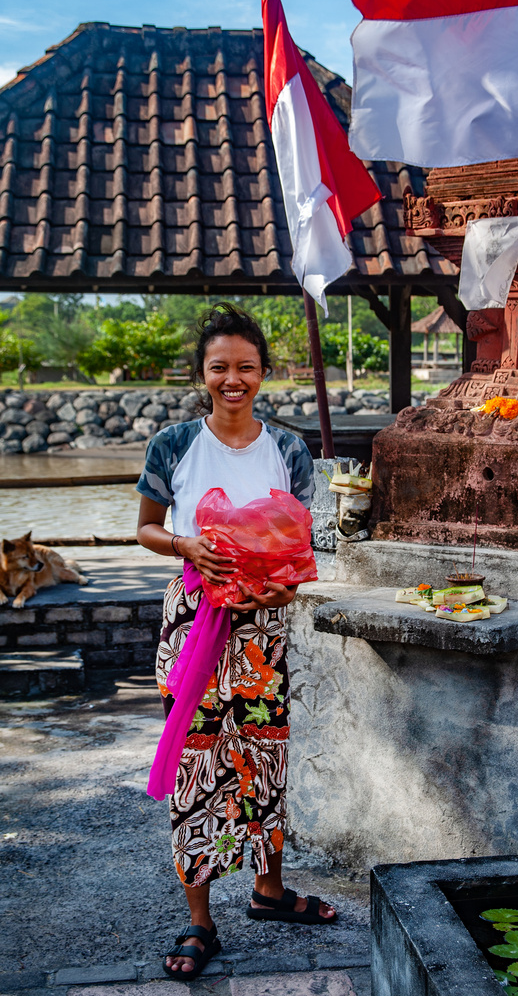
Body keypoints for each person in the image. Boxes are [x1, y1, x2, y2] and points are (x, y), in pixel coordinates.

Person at [136, 303, 336, 982]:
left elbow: (303, 543)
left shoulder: (287, 449)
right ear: (202, 373)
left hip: (266, 626)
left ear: (263, 374)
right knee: (199, 765)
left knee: (264, 757)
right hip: (195, 623)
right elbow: (145, 528)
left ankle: (270, 891)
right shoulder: (172, 445)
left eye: (245, 368)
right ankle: (200, 920)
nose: (232, 379)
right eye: (219, 367)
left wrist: (284, 593)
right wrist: (185, 541)